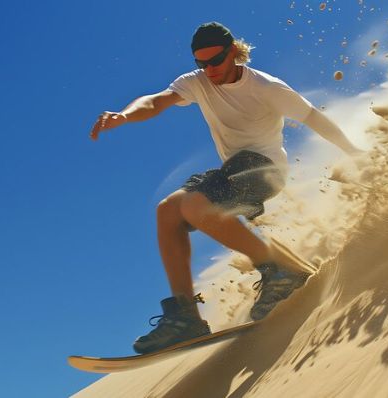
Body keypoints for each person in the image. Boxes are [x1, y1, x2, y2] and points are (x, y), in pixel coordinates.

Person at [90, 22, 363, 354]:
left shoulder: (266, 87)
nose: (209, 70)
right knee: (167, 212)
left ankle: (278, 270)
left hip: (265, 170)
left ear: (233, 51)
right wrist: (124, 115)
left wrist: (354, 153)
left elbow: (313, 118)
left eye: (215, 61)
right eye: (200, 64)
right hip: (231, 171)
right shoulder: (198, 82)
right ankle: (186, 316)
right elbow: (157, 101)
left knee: (193, 205)